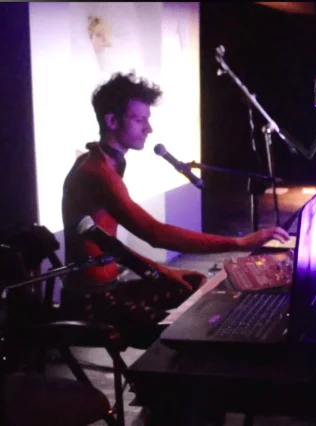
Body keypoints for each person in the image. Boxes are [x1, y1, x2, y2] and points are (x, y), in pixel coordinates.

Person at [61, 72, 289, 347]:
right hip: (92, 304)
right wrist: (239, 243)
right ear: (112, 121)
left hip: (107, 291)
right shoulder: (98, 173)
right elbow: (155, 234)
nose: (149, 128)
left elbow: (107, 245)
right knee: (186, 334)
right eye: (140, 119)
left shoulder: (100, 162)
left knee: (192, 283)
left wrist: (164, 271)